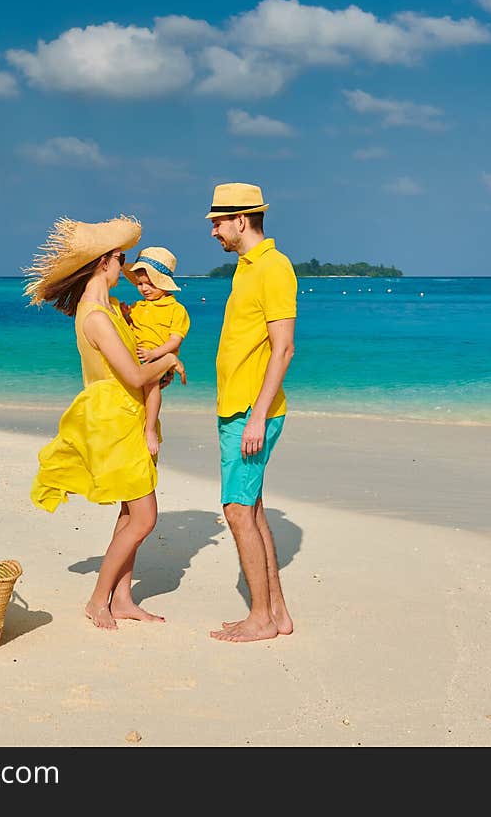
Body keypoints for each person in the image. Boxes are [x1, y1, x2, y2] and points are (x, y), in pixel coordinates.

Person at [23, 215, 186, 630]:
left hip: (129, 416)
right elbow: (132, 375)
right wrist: (168, 360)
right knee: (145, 517)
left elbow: (138, 360)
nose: (124, 267)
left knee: (131, 514)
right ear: (104, 263)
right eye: (121, 259)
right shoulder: (95, 314)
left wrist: (159, 361)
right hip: (114, 420)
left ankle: (123, 598)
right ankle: (99, 600)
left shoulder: (113, 307)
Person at [205, 182, 297, 643]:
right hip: (238, 408)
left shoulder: (274, 268)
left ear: (241, 219)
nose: (213, 231)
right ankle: (276, 612)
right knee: (253, 508)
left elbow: (283, 349)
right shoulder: (245, 268)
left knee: (236, 509)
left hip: (250, 411)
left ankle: (259, 617)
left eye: (218, 222)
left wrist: (258, 415)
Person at [119, 246, 191, 460]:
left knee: (151, 386)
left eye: (150, 284)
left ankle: (150, 428)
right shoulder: (139, 307)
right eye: (140, 284)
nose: (144, 288)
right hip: (139, 359)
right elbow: (130, 329)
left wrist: (155, 354)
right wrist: (125, 316)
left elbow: (175, 340)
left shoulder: (176, 310)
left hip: (159, 359)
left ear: (163, 283)